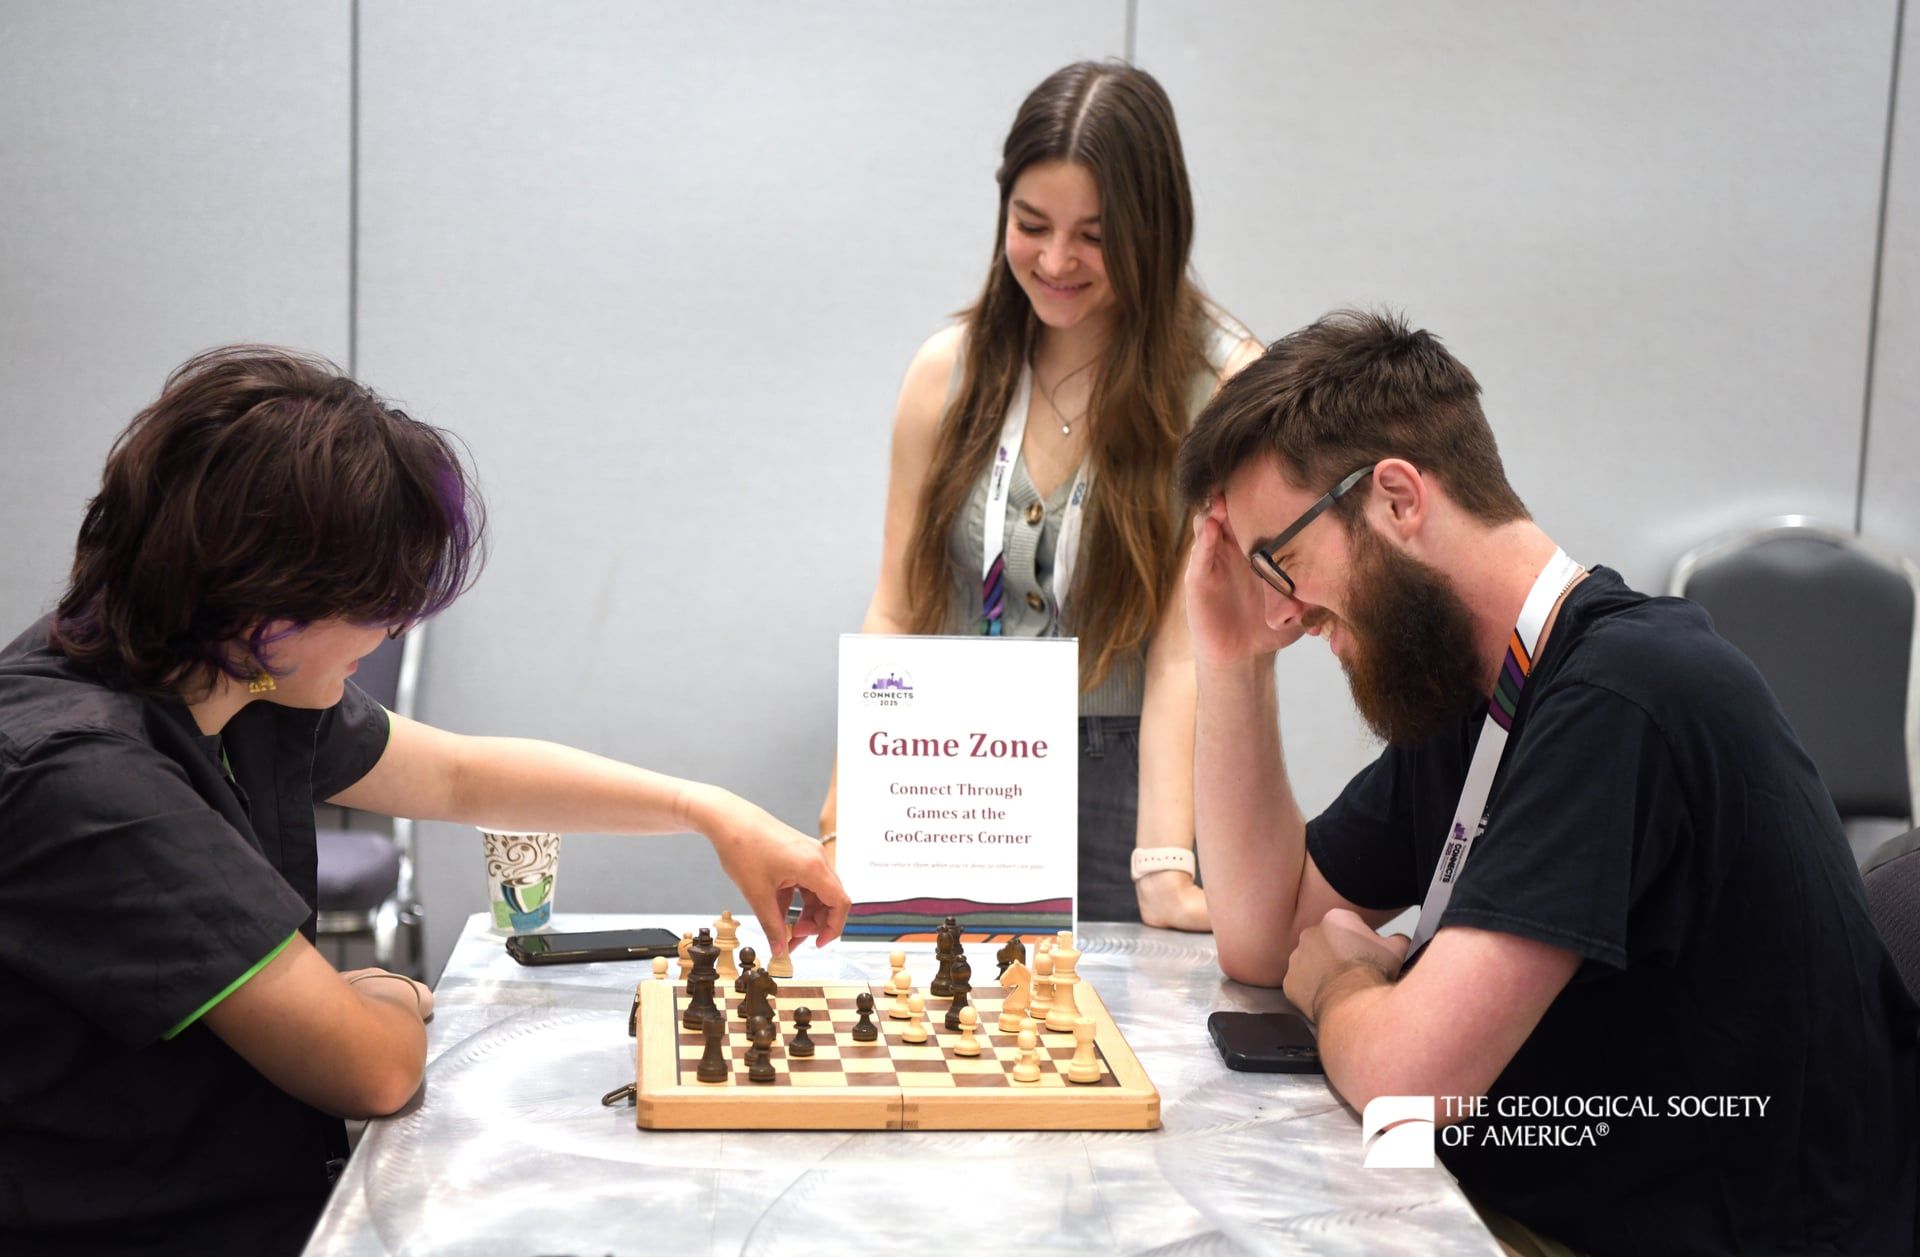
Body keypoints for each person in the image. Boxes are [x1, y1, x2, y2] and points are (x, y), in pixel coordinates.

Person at [0, 347, 849, 1256]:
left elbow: (459, 775)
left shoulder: (226, 677)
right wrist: (383, 995)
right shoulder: (87, 777)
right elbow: (374, 1068)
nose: (399, 627)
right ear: (264, 597)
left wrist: (711, 809)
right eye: (376, 602)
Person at [1175, 310, 1918, 1256]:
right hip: (1529, 1207)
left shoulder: (1626, 694)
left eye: (1280, 558)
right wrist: (1232, 659)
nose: (1282, 608)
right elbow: (1260, 931)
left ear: (1397, 498)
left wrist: (1345, 988)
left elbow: (1410, 1081)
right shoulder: (1471, 689)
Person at [819, 60, 1261, 927]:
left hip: (1127, 781)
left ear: (1155, 228)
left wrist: (1165, 864)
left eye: (1094, 236)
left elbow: (1185, 650)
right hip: (945, 766)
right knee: (919, 1035)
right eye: (1031, 225)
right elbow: (897, 611)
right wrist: (844, 812)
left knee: (1104, 1042)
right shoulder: (947, 372)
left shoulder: (1221, 386)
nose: (1056, 261)